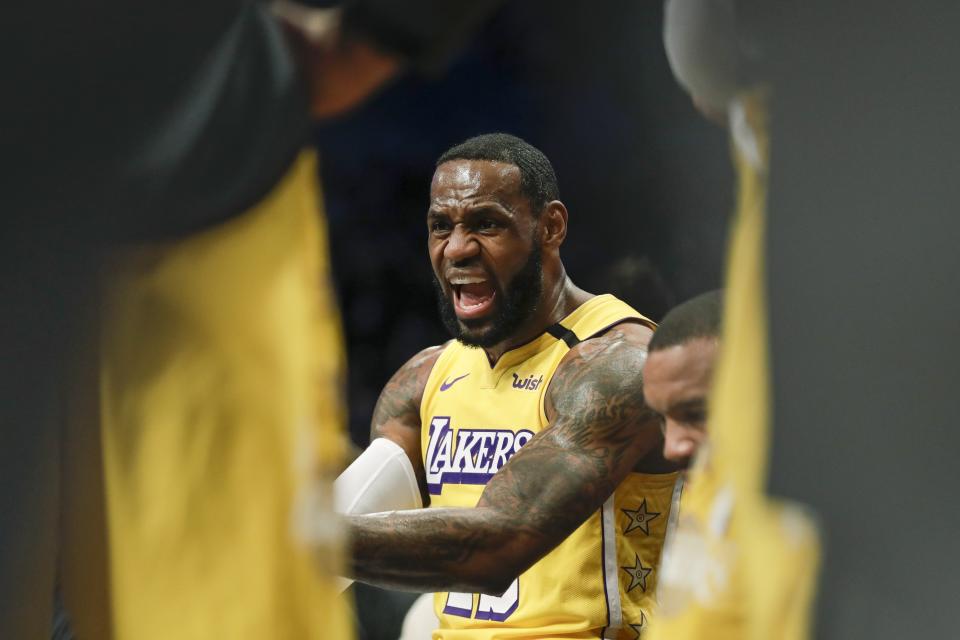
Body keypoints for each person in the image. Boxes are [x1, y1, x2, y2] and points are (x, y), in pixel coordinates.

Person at [2, 2, 507, 637]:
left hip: (189, 162)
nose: (460, 250)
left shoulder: (603, 357)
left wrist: (379, 33)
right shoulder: (429, 381)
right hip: (184, 157)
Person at [330, 132, 680, 638]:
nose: (457, 248)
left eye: (485, 224)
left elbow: (496, 546)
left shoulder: (616, 364)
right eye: (439, 227)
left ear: (550, 227)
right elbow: (338, 534)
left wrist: (288, 535)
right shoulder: (425, 378)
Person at [639, 291, 818, 639]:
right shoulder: (706, 490)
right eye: (662, 420)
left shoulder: (804, 512)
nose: (672, 447)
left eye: (698, 414)